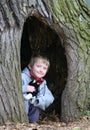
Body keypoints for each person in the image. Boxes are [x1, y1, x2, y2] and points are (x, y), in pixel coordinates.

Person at [21, 55, 54, 123]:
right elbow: (12, 90)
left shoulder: (42, 82)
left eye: (44, 68)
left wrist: (37, 100)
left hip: (32, 104)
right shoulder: (22, 76)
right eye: (38, 66)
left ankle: (32, 123)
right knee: (25, 100)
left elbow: (50, 97)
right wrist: (25, 88)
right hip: (22, 105)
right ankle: (23, 122)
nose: (41, 70)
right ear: (30, 66)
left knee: (37, 105)